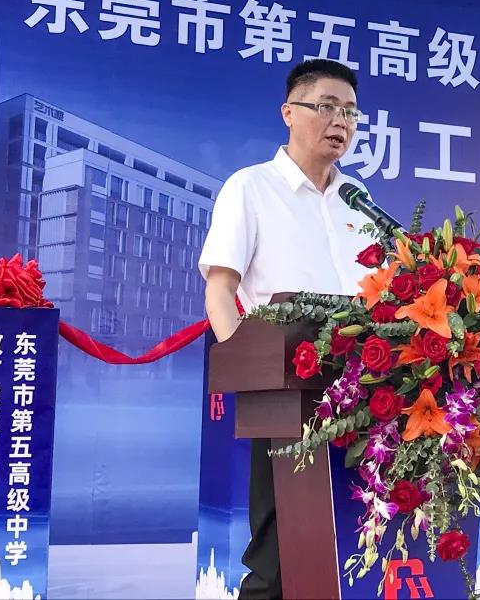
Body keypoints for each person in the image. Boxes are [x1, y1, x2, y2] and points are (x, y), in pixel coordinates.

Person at [199, 58, 374, 599]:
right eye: (326, 106)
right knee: (279, 563)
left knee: (353, 551)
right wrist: (247, 366)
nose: (340, 120)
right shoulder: (251, 188)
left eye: (350, 111)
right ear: (289, 113)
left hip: (366, 396)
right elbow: (220, 291)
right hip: (287, 396)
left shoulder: (359, 201)